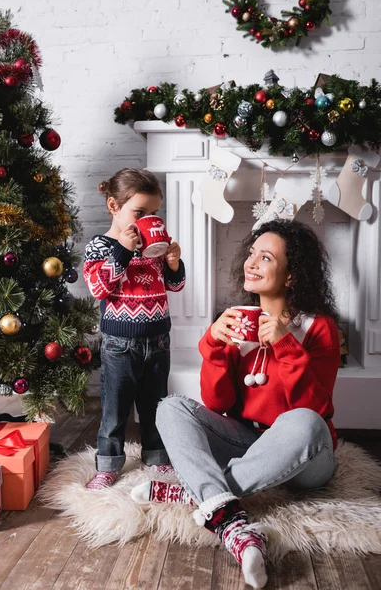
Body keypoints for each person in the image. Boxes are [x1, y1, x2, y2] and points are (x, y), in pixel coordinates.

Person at [131, 219, 340, 589]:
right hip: (248, 439)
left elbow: (316, 408)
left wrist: (284, 345)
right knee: (171, 407)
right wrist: (214, 345)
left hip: (308, 454)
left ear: (291, 276)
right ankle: (227, 517)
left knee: (305, 421)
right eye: (250, 254)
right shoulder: (237, 322)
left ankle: (193, 491)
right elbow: (219, 402)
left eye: (266, 257)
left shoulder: (317, 327)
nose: (251, 262)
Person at [83, 168, 185, 490]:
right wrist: (124, 251)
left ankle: (156, 457)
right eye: (139, 213)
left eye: (154, 213)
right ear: (114, 206)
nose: (148, 220)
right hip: (119, 344)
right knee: (115, 409)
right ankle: (108, 464)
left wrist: (173, 265)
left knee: (156, 405)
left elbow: (176, 286)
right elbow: (99, 288)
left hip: (158, 340)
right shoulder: (100, 246)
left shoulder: (152, 247)